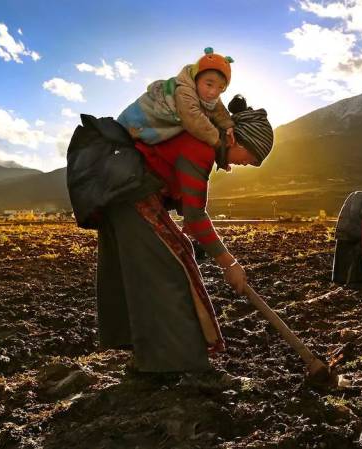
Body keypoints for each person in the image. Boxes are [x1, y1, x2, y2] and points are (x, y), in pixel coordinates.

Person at [95, 97, 274, 374]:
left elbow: (184, 198)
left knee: (152, 273)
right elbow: (195, 214)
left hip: (122, 192)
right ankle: (184, 367)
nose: (247, 165)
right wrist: (229, 263)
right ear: (234, 138)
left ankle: (149, 360)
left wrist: (190, 235)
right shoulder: (199, 146)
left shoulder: (201, 145)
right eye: (250, 158)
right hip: (130, 194)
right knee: (171, 274)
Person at [117, 47, 235, 147]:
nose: (213, 92)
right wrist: (217, 140)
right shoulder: (184, 91)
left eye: (220, 88)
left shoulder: (210, 95)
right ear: (196, 78)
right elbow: (193, 120)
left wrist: (228, 126)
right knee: (123, 138)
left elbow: (218, 108)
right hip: (139, 118)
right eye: (209, 84)